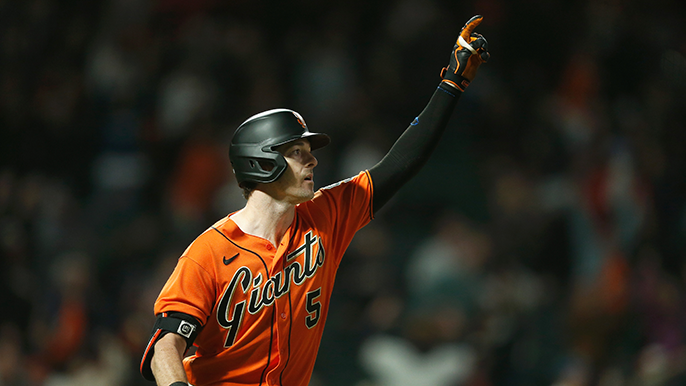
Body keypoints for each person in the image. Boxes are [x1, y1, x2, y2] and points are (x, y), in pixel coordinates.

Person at [139, 14, 490, 386]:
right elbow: (166, 345)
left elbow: (401, 163)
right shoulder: (207, 253)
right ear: (262, 161)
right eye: (298, 152)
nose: (313, 160)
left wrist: (450, 86)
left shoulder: (325, 215)